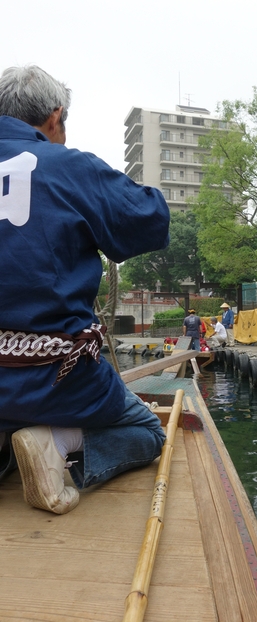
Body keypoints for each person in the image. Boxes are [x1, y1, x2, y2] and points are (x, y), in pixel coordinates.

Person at [0, 65, 171, 515]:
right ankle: (56, 443)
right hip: (58, 379)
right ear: (55, 117)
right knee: (148, 431)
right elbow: (152, 218)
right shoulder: (69, 167)